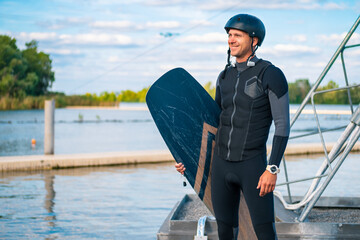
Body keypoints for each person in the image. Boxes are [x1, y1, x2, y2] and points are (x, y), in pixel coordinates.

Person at [175, 13, 290, 240]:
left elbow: (282, 125)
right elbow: (214, 124)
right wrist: (187, 158)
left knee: (265, 231)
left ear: (254, 41)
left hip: (253, 165)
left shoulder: (271, 74)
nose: (231, 39)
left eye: (238, 35)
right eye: (229, 35)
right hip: (221, 166)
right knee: (225, 229)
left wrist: (272, 168)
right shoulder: (224, 76)